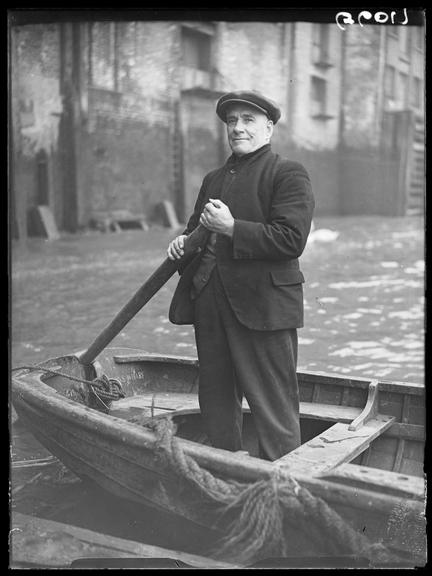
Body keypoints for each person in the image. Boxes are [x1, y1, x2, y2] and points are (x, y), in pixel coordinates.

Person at [167, 90, 314, 461]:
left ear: (268, 128)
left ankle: (280, 480)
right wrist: (181, 244)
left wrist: (233, 227)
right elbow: (194, 233)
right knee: (215, 397)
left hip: (263, 307)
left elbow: (291, 240)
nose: (237, 128)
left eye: (248, 120)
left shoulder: (288, 173)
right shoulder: (213, 178)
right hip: (210, 303)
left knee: (273, 403)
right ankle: (225, 467)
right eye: (232, 121)